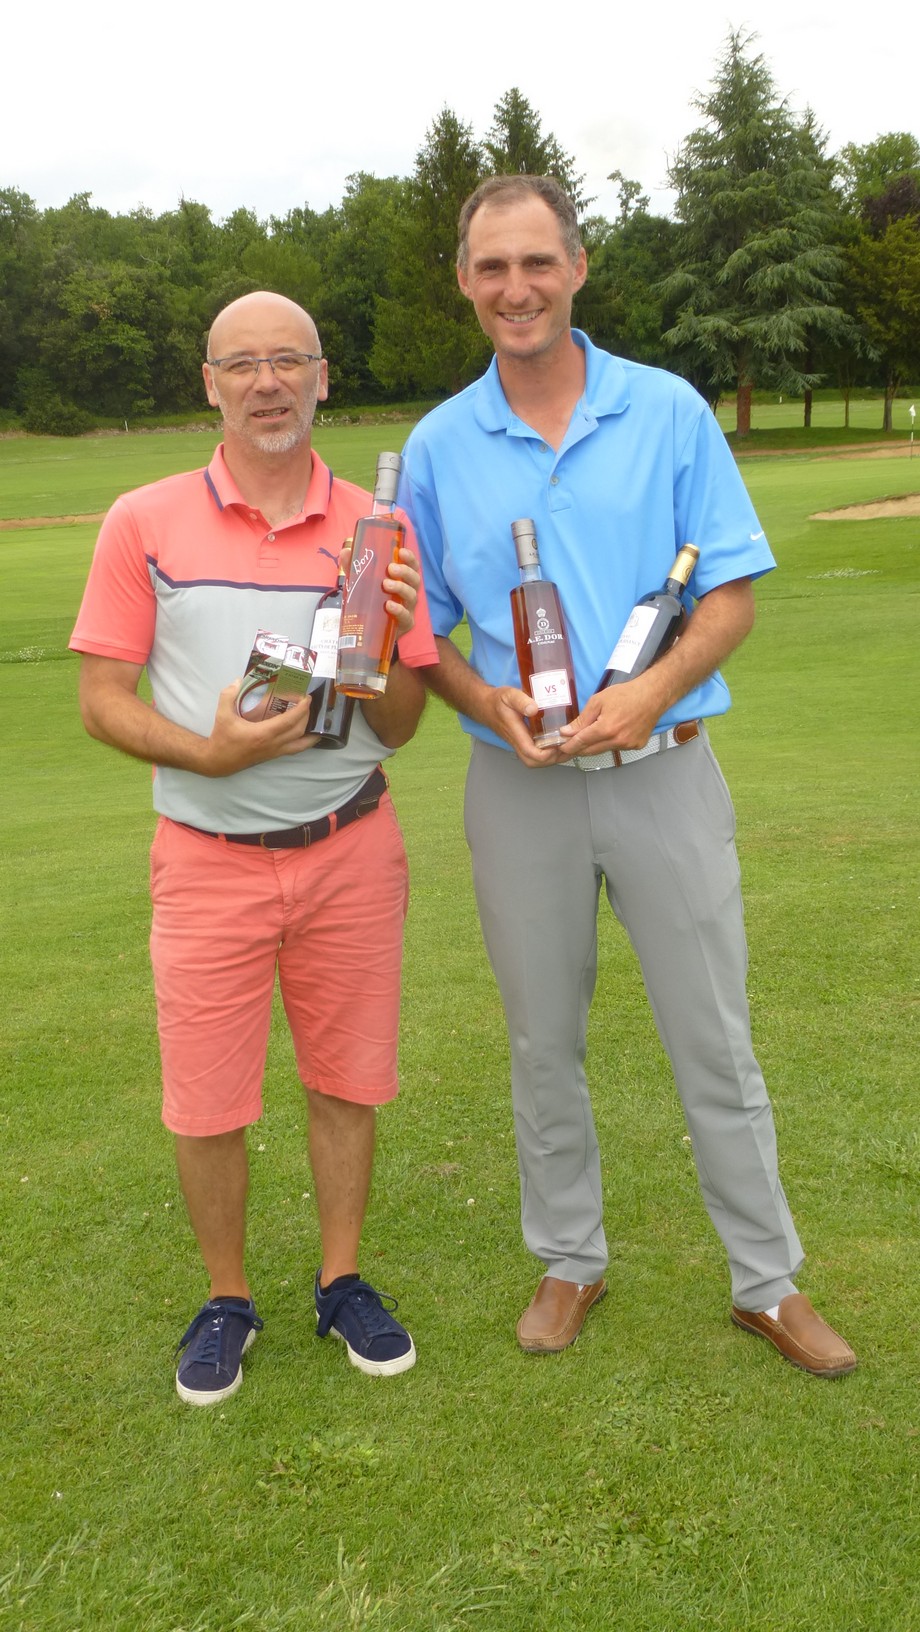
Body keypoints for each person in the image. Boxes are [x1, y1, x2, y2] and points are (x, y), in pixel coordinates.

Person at [398, 175, 856, 1377]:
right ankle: (568, 1260)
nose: (515, 288)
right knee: (540, 1042)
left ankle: (765, 1280)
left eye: (535, 262)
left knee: (712, 1039)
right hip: (517, 786)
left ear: (577, 267)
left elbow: (728, 597)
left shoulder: (663, 409)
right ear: (465, 281)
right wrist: (479, 697)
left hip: (665, 770)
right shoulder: (440, 444)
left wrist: (650, 692)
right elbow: (425, 636)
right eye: (491, 267)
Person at [71, 291, 438, 1403]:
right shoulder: (143, 519)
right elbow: (100, 699)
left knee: (347, 1080)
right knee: (206, 1099)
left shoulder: (378, 529)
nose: (267, 382)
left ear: (323, 378)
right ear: (210, 384)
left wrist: (397, 639)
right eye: (243, 364)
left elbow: (398, 725)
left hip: (349, 845)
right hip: (206, 852)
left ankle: (340, 1280)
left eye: (289, 361)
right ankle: (227, 1298)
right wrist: (209, 753)